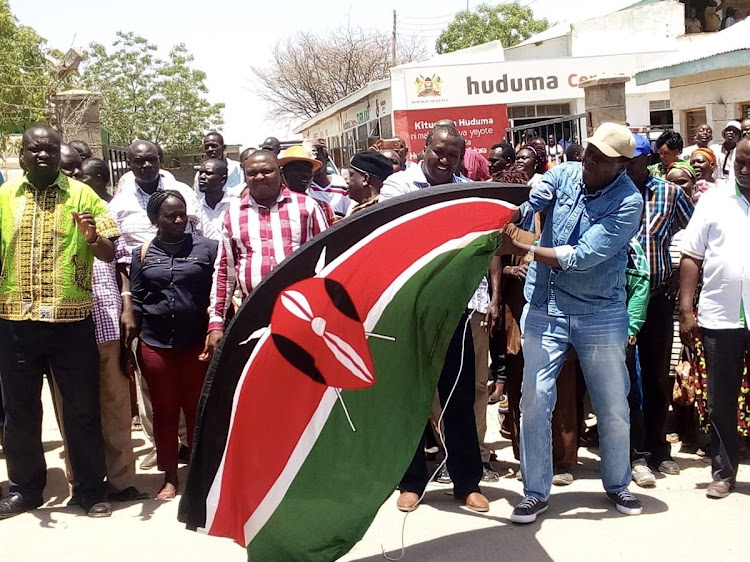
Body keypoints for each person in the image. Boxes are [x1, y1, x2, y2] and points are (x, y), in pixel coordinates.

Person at [503, 122, 644, 524]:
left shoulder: (628, 202)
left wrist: (524, 246)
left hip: (600, 312)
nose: (589, 163)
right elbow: (535, 198)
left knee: (612, 404)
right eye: (588, 153)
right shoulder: (566, 173)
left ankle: (618, 484)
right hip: (546, 306)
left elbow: (581, 256)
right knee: (534, 399)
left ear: (620, 166)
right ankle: (534, 492)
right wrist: (515, 211)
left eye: (599, 160)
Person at [0, 124, 120, 519]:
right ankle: (26, 489)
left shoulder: (83, 193)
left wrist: (90, 237)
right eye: (35, 149)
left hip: (72, 323)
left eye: (50, 149)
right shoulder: (4, 197)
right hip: (16, 321)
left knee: (81, 409)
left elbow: (108, 253)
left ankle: (89, 489)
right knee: (20, 411)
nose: (43, 155)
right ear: (22, 155)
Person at [381, 123, 491, 514]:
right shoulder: (397, 186)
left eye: (453, 154)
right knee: (410, 398)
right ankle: (411, 482)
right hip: (408, 309)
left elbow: (479, 246)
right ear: (422, 148)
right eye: (438, 151)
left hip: (455, 308)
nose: (445, 160)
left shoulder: (467, 190)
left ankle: (467, 483)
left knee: (458, 398)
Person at [110, 139, 203, 470]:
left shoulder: (183, 193)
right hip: (147, 296)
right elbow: (117, 256)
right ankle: (160, 446)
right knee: (154, 387)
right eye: (138, 161)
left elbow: (202, 237)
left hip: (187, 293)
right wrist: (127, 304)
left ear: (160, 160)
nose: (145, 166)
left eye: (151, 160)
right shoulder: (120, 203)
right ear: (130, 165)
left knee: (191, 390)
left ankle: (189, 446)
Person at [130, 190, 218, 500]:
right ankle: (169, 476)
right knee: (165, 412)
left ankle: (199, 472)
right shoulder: (141, 254)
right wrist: (131, 344)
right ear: (155, 220)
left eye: (183, 214)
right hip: (155, 344)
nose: (179, 220)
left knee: (197, 409)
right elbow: (137, 299)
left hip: (197, 343)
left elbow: (217, 293)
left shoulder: (208, 249)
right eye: (171, 215)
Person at [679, 137, 750, 499]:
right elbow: (691, 255)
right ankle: (723, 471)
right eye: (740, 160)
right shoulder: (714, 200)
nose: (745, 168)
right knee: (721, 399)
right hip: (720, 318)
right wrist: (687, 309)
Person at [204, 150, 328, 357]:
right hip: (254, 314)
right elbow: (225, 272)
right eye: (252, 173)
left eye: (267, 171)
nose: (260, 177)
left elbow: (328, 259)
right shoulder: (233, 214)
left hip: (304, 314)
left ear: (280, 173)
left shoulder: (307, 206)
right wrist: (216, 322)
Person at [78, 157, 145, 502]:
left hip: (107, 319)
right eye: (68, 171)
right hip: (68, 326)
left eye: (78, 170)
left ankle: (122, 481)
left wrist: (127, 305)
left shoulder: (107, 210)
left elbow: (122, 262)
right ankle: (84, 482)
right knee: (74, 409)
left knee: (116, 405)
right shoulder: (51, 212)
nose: (72, 177)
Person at [628, 133, 693, 480]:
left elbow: (698, 238)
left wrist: (677, 269)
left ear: (647, 160)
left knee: (656, 377)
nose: (627, 167)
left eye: (633, 161)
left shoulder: (669, 194)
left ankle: (658, 448)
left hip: (656, 301)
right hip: (618, 304)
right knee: (626, 380)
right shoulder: (610, 195)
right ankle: (633, 453)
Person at [193, 132, 244, 197]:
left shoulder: (237, 168)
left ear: (224, 147)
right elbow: (199, 198)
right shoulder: (201, 174)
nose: (210, 149)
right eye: (207, 147)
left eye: (214, 146)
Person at [309, 142, 351, 217]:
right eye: (311, 161)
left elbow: (349, 213)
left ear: (326, 159)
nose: (316, 164)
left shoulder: (340, 183)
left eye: (318, 159)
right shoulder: (306, 187)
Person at [345, 151, 393, 215]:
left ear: (365, 179)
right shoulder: (354, 208)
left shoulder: (377, 212)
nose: (347, 181)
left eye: (351, 175)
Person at [196, 158, 233, 241]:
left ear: (223, 179)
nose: (202, 177)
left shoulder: (235, 206)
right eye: (201, 173)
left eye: (209, 173)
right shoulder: (196, 209)